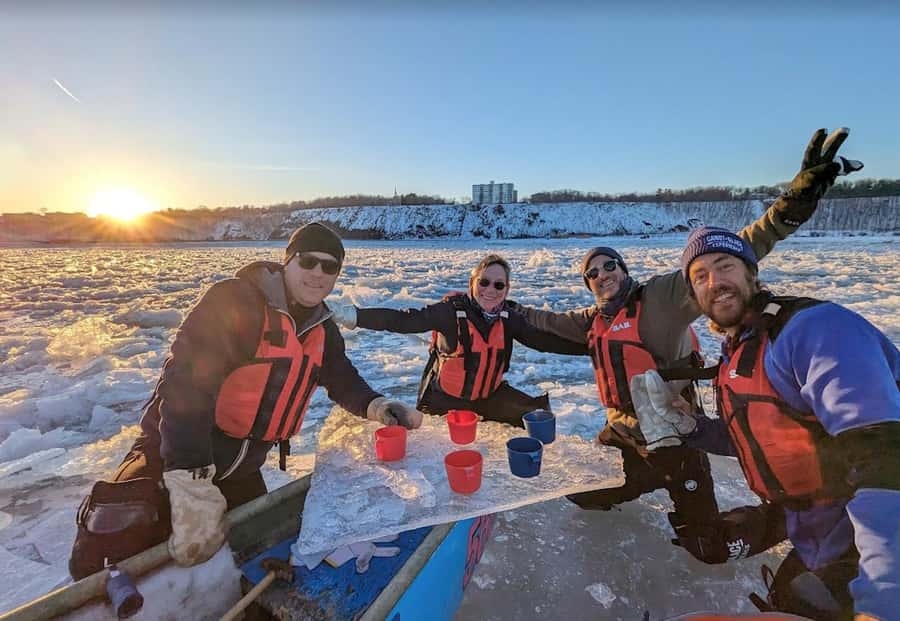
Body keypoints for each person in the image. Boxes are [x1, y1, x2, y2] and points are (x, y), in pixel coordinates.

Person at [510, 128, 863, 529]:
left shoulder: (661, 297)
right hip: (624, 431)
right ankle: (641, 479)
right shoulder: (592, 321)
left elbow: (734, 249)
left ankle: (779, 517)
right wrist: (499, 305)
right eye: (593, 273)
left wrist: (790, 207)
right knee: (583, 493)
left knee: (705, 541)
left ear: (623, 269)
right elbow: (545, 321)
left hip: (677, 431)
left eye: (610, 265)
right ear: (589, 284)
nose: (603, 274)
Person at [68, 222, 424, 580]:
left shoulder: (322, 327)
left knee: (254, 554)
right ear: (288, 261)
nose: (318, 273)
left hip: (242, 468)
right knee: (114, 545)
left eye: (330, 266)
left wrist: (376, 405)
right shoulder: (235, 302)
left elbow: (341, 378)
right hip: (173, 455)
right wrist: (190, 481)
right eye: (308, 261)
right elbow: (185, 388)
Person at [633, 225, 898, 621]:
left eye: (725, 266)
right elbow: (767, 438)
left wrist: (883, 601)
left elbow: (885, 460)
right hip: (820, 529)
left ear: (751, 272)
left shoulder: (814, 330)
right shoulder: (741, 350)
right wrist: (693, 428)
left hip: (876, 543)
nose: (715, 282)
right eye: (700, 276)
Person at [330, 254, 586, 427]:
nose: (490, 290)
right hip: (446, 401)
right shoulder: (450, 313)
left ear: (506, 290)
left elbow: (542, 341)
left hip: (489, 396)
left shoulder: (508, 317)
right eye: (484, 282)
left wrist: (590, 348)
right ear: (472, 283)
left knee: (537, 416)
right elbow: (404, 320)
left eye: (499, 285)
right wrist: (354, 316)